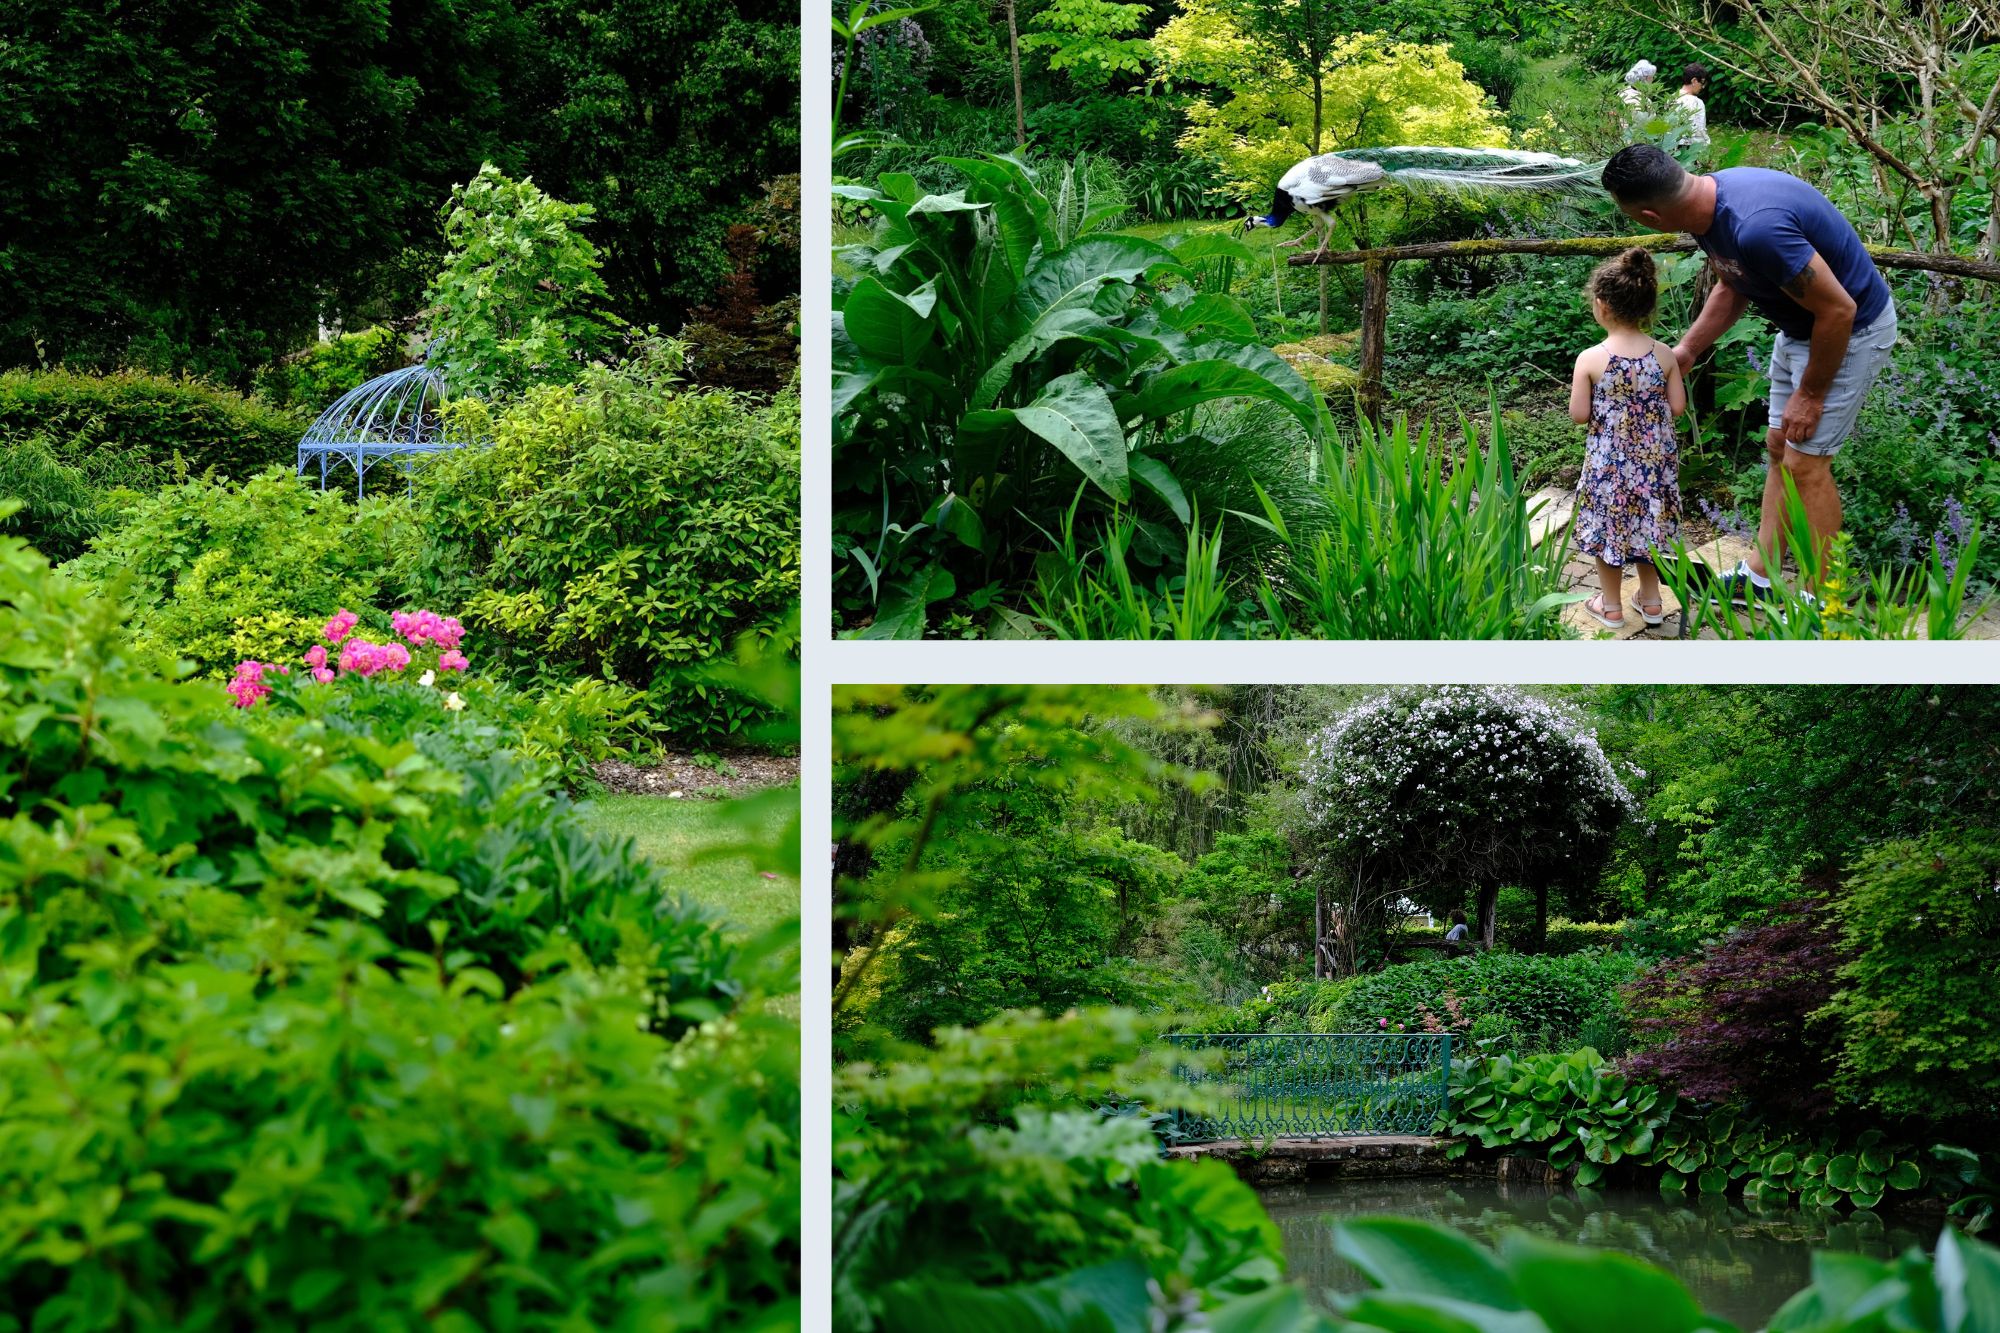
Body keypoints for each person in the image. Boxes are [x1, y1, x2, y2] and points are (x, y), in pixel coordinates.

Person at [1600, 144, 1896, 603]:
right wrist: (1687, 351)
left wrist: (1811, 395)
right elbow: (1731, 283)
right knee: (1780, 447)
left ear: (1650, 216)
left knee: (1807, 464)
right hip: (1800, 330)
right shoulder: (1707, 207)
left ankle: (1828, 598)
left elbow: (1839, 311)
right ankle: (1761, 576)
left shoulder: (1759, 227)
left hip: (1848, 333)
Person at [1568, 247, 1688, 629]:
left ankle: (1611, 606)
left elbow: (1579, 415)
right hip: (1653, 467)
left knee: (1610, 529)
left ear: (1602, 305)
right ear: (1647, 306)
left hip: (1610, 468)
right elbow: (1678, 407)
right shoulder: (1665, 355)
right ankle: (1651, 603)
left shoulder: (1590, 358)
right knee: (1649, 527)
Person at [1676, 63, 1711, 148]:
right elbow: (1699, 130)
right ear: (1694, 81)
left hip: (1672, 147)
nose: (1702, 87)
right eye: (1702, 83)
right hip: (1691, 148)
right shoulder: (1696, 102)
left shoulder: (1671, 99)